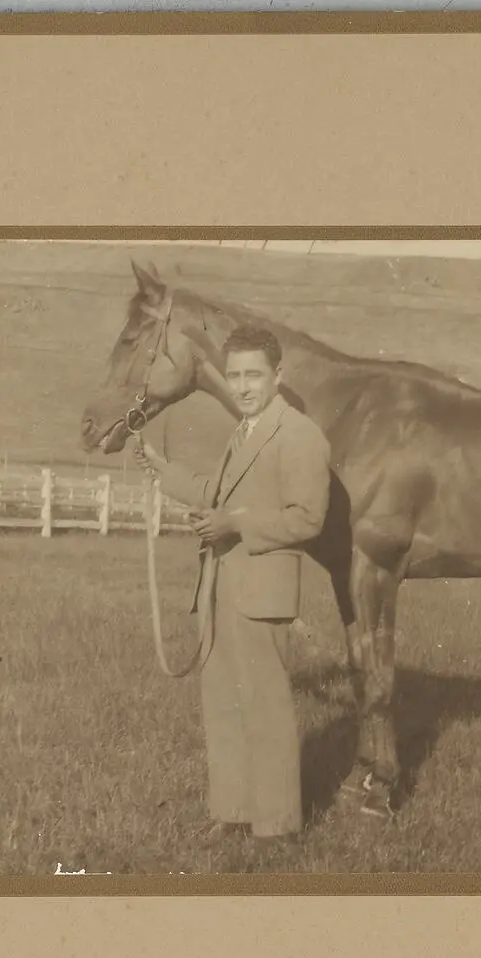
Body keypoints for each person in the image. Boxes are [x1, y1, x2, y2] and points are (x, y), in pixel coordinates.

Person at [147, 325, 332, 845]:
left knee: (265, 706)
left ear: (279, 375)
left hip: (261, 591)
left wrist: (234, 524)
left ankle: (276, 825)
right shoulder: (245, 432)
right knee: (224, 703)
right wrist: (165, 473)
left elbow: (307, 519)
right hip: (221, 585)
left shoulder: (299, 434)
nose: (244, 386)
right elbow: (217, 490)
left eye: (254, 375)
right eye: (234, 376)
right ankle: (232, 811)